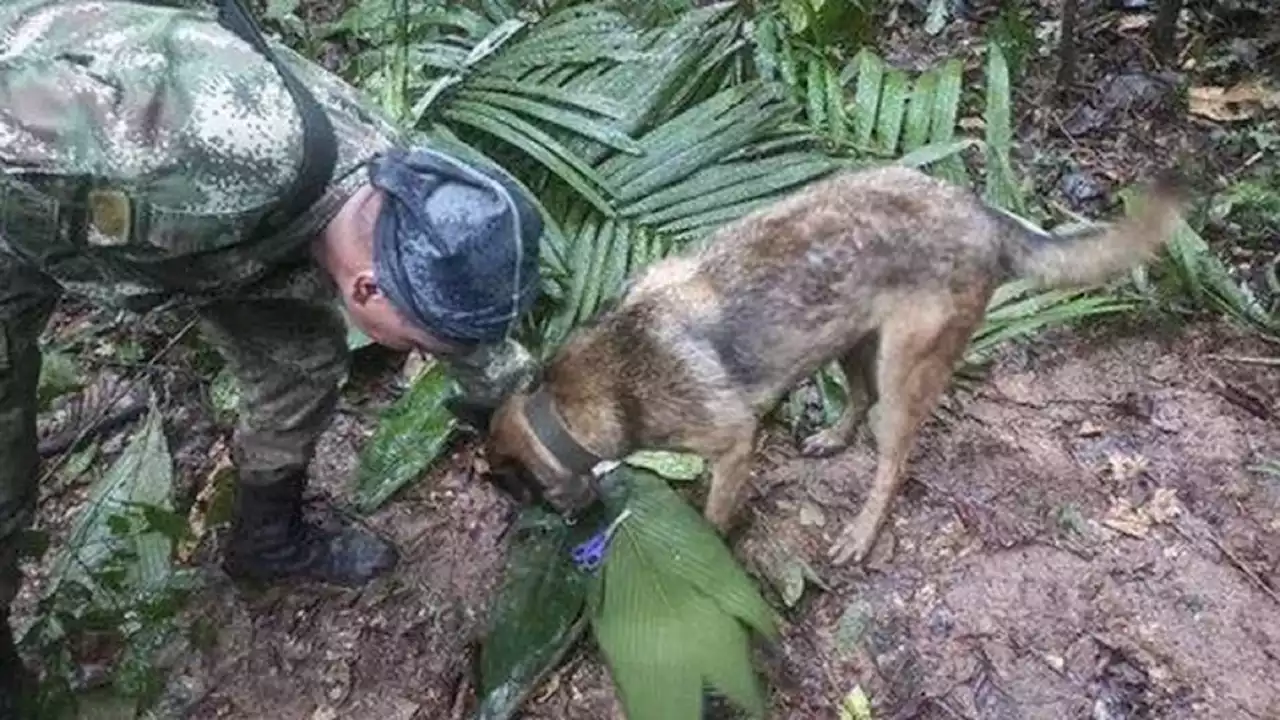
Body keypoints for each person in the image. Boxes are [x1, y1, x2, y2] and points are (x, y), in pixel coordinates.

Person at [0, 0, 544, 714]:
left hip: (213, 247)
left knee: (299, 365)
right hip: (21, 225)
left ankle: (266, 539)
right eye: (419, 346)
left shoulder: (399, 192)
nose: (424, 357)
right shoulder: (198, 147)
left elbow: (462, 330)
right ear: (368, 287)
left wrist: (540, 423)